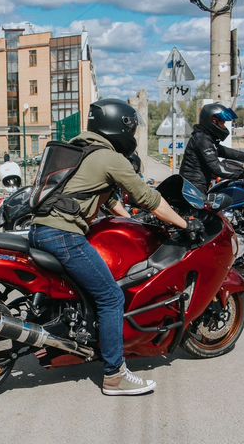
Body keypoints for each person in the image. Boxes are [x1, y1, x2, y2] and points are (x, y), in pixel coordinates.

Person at [29, 98, 199, 396]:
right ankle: (114, 375)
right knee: (110, 297)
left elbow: (104, 197)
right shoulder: (109, 157)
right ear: (119, 127)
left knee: (86, 291)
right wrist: (185, 225)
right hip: (64, 236)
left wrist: (131, 219)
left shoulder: (79, 149)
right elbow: (148, 198)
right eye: (131, 129)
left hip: (42, 229)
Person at [179, 103, 244, 193]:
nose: (224, 127)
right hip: (193, 187)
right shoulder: (202, 139)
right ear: (213, 121)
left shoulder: (206, 138)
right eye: (222, 123)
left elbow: (226, 152)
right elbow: (217, 168)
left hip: (198, 184)